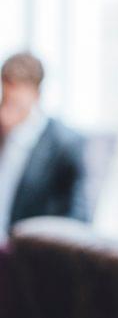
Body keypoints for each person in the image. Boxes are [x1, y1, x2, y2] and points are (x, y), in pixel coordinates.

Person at [0, 52, 89, 244]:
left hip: (26, 255)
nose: (5, 111)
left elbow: (78, 219)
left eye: (14, 102)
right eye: (4, 99)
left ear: (36, 95)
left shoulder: (65, 145)